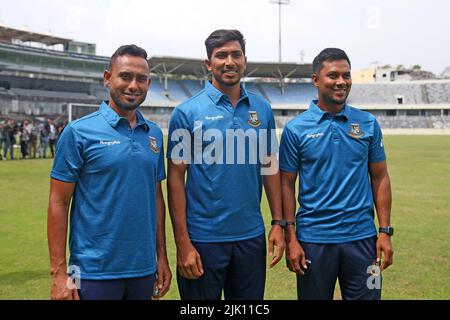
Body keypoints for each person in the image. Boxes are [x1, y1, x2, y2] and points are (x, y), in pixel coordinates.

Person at [167, 29, 284, 300]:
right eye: (221, 55)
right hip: (203, 239)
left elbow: (270, 167)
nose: (229, 61)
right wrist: (182, 242)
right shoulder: (187, 112)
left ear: (245, 60)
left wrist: (278, 222)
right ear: (208, 64)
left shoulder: (262, 108)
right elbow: (175, 179)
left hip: (251, 237)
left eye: (236, 54)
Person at [47, 44, 171, 300]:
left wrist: (161, 257)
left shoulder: (154, 135)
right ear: (107, 78)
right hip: (92, 272)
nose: (133, 85)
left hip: (143, 270)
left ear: (149, 83)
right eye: (125, 76)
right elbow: (58, 202)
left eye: (141, 79)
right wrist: (59, 274)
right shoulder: (78, 132)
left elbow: (156, 198)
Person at [279, 48, 394, 300]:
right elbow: (286, 184)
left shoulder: (367, 123)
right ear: (316, 80)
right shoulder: (295, 130)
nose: (341, 82)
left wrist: (384, 231)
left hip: (364, 240)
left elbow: (380, 177)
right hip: (313, 241)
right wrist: (291, 237)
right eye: (333, 75)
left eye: (346, 75)